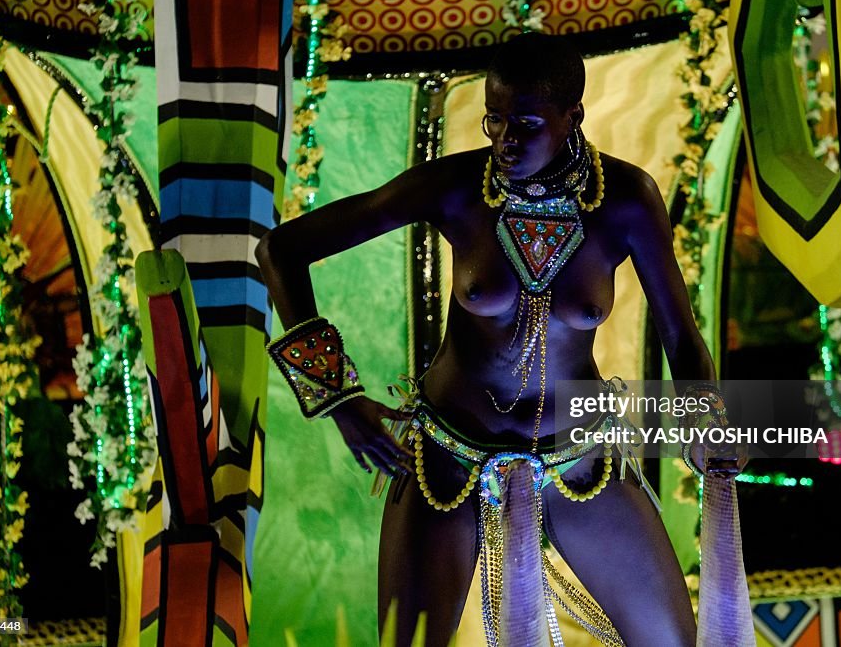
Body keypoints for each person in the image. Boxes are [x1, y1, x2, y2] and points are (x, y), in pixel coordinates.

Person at [256, 32, 720, 647]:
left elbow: (681, 338)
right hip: (445, 457)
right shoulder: (455, 188)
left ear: (573, 116)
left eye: (525, 122)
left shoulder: (627, 202)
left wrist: (705, 428)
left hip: (579, 452)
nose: (503, 140)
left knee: (672, 642)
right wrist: (337, 400)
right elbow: (280, 251)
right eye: (493, 119)